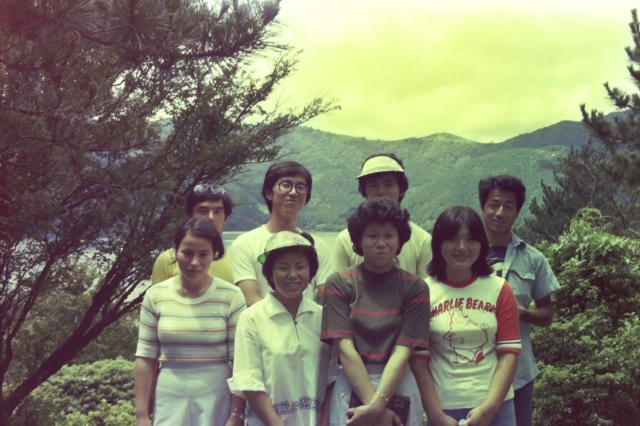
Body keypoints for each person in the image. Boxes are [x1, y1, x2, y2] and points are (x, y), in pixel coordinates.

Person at [321, 198, 430, 426]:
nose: (381, 243)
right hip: (352, 383)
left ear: (399, 240)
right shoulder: (339, 283)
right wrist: (377, 410)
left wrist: (376, 405)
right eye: (372, 236)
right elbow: (344, 350)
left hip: (398, 383)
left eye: (389, 235)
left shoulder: (415, 287)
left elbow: (403, 352)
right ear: (359, 240)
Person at [413, 206, 521, 426]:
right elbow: (418, 360)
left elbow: (509, 353)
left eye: (471, 239)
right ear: (438, 243)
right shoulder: (423, 292)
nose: (462, 247)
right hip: (444, 409)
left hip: (496, 409)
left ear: (481, 244)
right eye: (453, 239)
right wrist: (435, 415)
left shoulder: (500, 289)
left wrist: (489, 409)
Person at [135, 218, 247, 426]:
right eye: (187, 253)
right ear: (176, 252)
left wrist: (237, 414)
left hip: (217, 396)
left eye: (203, 254)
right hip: (169, 395)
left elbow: (241, 361)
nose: (194, 262)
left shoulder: (232, 296)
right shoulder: (155, 295)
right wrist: (141, 415)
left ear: (214, 254)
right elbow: (145, 357)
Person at [478, 175, 560, 426]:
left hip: (519, 375)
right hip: (471, 371)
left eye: (508, 206)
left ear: (517, 212)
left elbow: (547, 314)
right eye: (494, 204)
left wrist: (521, 312)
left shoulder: (533, 259)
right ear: (482, 207)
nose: (500, 212)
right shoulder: (463, 255)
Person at [229, 230, 331, 425]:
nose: (292, 275)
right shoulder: (252, 318)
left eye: (300, 267)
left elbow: (332, 376)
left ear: (311, 271)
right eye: (283, 268)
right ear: (270, 273)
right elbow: (249, 381)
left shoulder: (322, 316)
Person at [231, 161, 331, 306]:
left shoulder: (318, 246)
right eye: (286, 185)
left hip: (309, 319)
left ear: (306, 197)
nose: (293, 192)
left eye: (300, 187)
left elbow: (327, 297)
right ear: (269, 193)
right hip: (262, 320)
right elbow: (251, 300)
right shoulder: (244, 244)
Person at [332, 153, 432, 279]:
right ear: (365, 191)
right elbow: (339, 285)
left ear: (401, 189)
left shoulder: (422, 241)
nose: (381, 192)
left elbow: (427, 287)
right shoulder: (345, 240)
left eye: (389, 184)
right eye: (373, 185)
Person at [151, 184, 234, 284]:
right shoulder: (168, 259)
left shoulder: (237, 260)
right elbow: (158, 293)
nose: (211, 217)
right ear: (190, 216)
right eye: (203, 211)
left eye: (217, 212)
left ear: (225, 219)